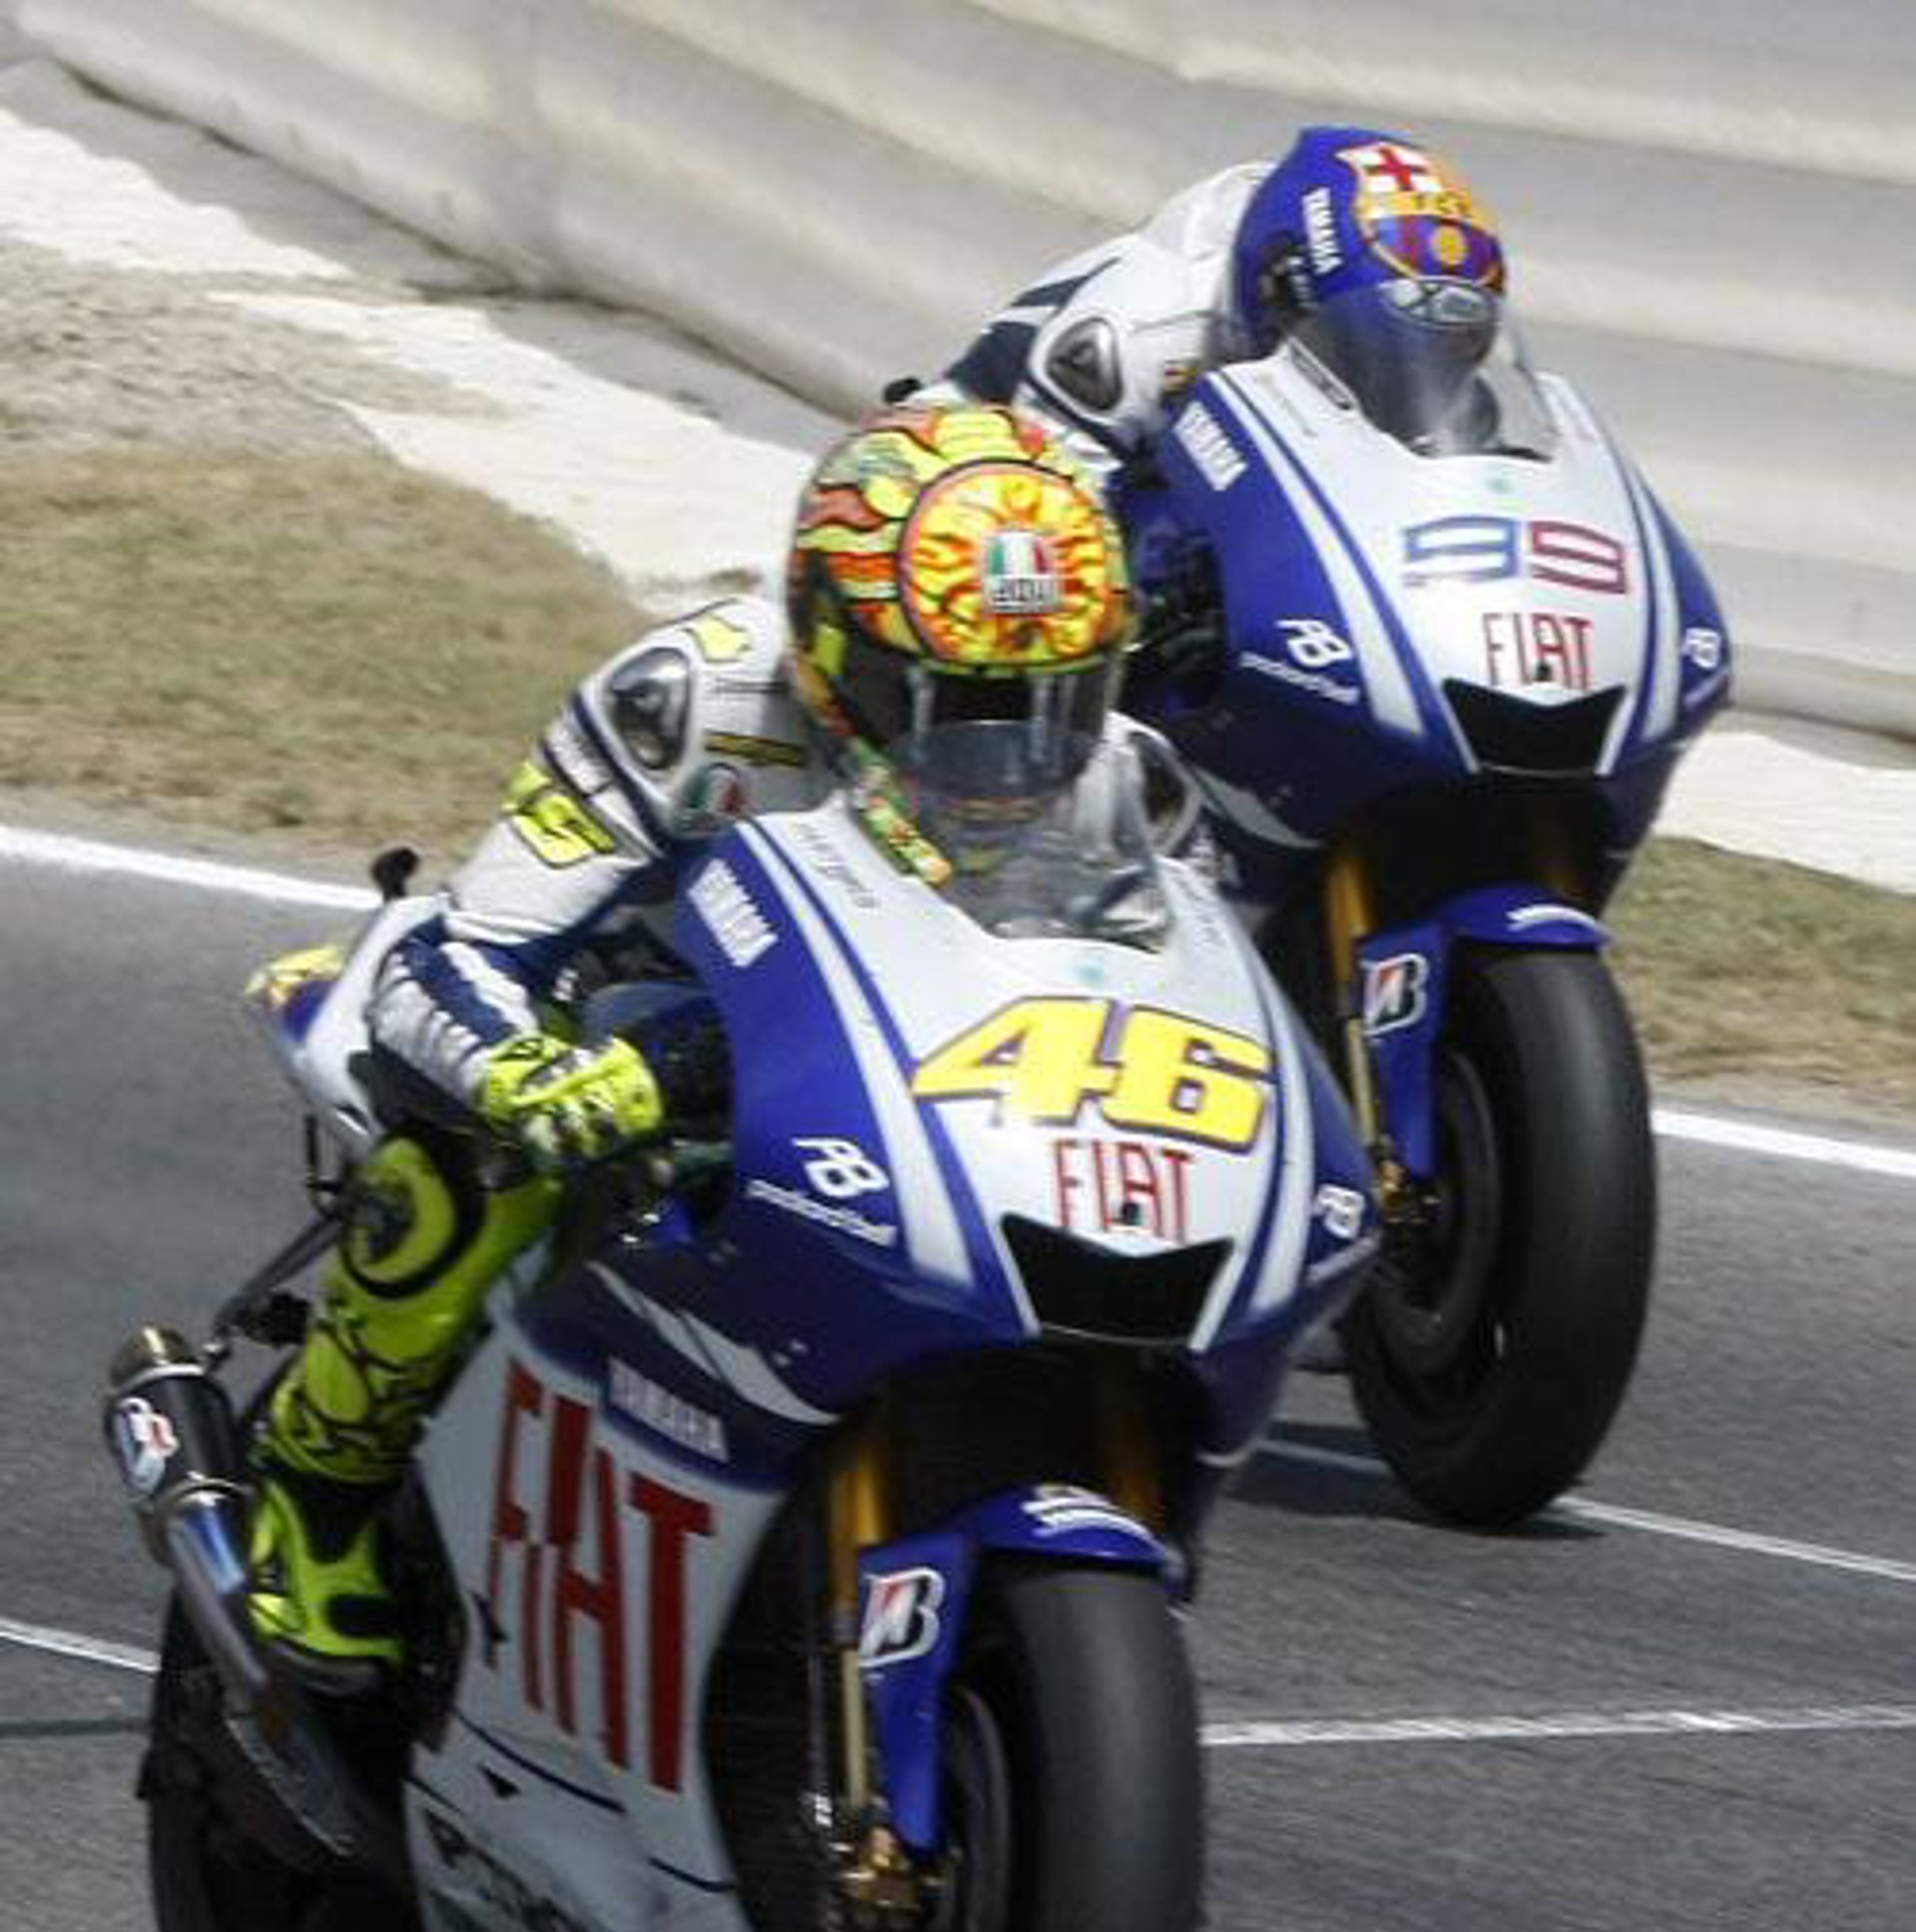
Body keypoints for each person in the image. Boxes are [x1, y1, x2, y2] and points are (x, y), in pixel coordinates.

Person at [246, 398, 1187, 1695]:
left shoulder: (1126, 776)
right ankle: (314, 1499)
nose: (1007, 750)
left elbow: (1176, 997)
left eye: (1053, 698)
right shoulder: (688, 703)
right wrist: (531, 1076)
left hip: (927, 1087)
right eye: (953, 699)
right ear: (832, 642)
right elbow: (456, 957)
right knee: (471, 1168)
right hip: (625, 1050)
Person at [930, 128, 1508, 682]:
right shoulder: (1141, 326)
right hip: (979, 487)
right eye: (1369, 350)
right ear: (1279, 290)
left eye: (1438, 358)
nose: (1401, 381)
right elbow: (1046, 525)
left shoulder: (1431, 379)